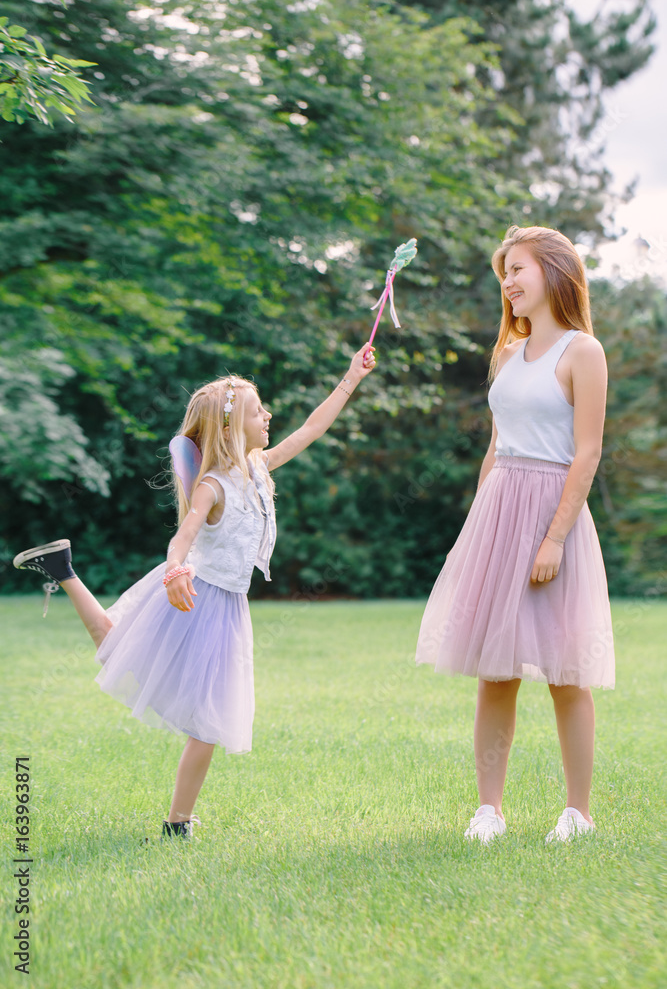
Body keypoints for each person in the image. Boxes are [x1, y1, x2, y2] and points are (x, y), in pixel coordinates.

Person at [13, 343, 376, 839]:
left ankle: (62, 568)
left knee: (122, 649)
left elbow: (313, 428)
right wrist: (174, 572)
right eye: (256, 410)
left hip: (227, 604)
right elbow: (180, 540)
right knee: (203, 717)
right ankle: (177, 823)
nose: (267, 415)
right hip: (193, 594)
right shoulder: (213, 486)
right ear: (229, 427)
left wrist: (351, 378)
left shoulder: (260, 469)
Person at [416, 225, 614, 844]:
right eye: (504, 272)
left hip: (553, 514)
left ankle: (577, 812)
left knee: (565, 671)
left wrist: (553, 537)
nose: (508, 282)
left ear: (554, 271)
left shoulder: (583, 352)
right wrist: (480, 524)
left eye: (518, 268)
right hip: (500, 514)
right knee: (495, 670)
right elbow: (497, 448)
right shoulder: (507, 354)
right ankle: (489, 810)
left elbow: (586, 454)